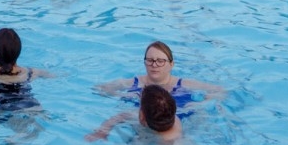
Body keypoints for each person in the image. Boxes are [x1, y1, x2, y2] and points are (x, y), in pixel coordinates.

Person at [96, 41, 225, 108]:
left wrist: (199, 105)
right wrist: (123, 95)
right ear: (145, 62)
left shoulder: (183, 84)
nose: (154, 65)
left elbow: (221, 91)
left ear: (171, 64)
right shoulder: (134, 83)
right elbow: (100, 89)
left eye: (160, 61)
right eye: (150, 60)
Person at [86, 84, 183, 143]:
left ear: (141, 116)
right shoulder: (165, 113)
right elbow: (122, 115)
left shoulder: (171, 143)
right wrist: (102, 131)